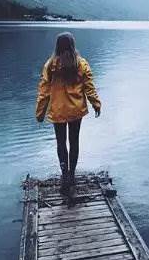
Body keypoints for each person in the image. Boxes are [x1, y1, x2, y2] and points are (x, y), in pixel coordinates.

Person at [35, 32, 101, 194]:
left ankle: (64, 174)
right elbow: (89, 87)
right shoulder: (81, 64)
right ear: (73, 45)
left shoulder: (51, 65)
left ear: (57, 46)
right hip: (76, 111)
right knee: (74, 141)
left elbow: (44, 91)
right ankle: (72, 175)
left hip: (58, 110)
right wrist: (96, 104)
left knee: (60, 143)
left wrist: (40, 112)